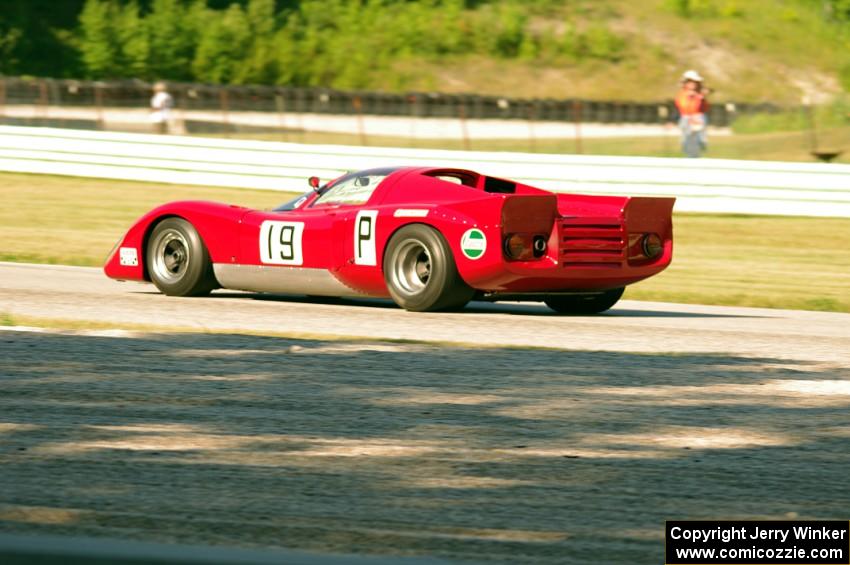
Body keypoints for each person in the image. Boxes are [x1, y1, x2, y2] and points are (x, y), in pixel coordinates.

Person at [674, 70, 710, 157]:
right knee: (688, 143)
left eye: (695, 82)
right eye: (691, 82)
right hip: (687, 121)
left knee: (699, 144)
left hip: (699, 120)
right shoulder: (682, 95)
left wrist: (701, 98)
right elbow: (684, 108)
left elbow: (704, 108)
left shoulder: (700, 95)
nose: (693, 84)